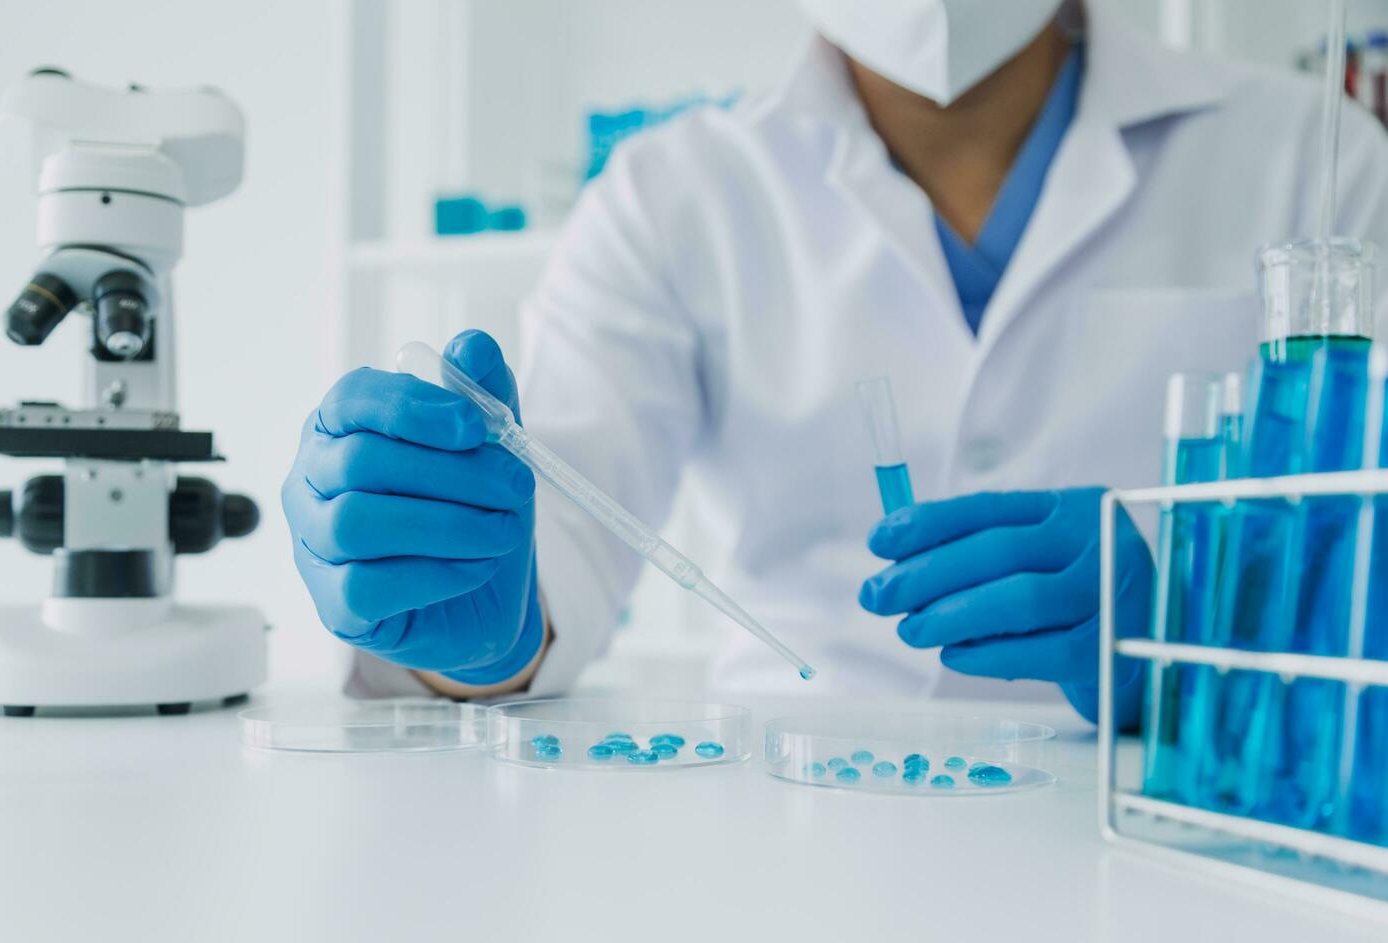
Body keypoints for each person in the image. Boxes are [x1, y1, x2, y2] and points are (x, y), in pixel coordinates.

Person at [282, 0, 1388, 726]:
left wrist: (1203, 615)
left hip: (1170, 806)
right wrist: (472, 605)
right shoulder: (676, 189)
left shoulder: (1317, 160)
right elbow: (565, 516)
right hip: (796, 814)